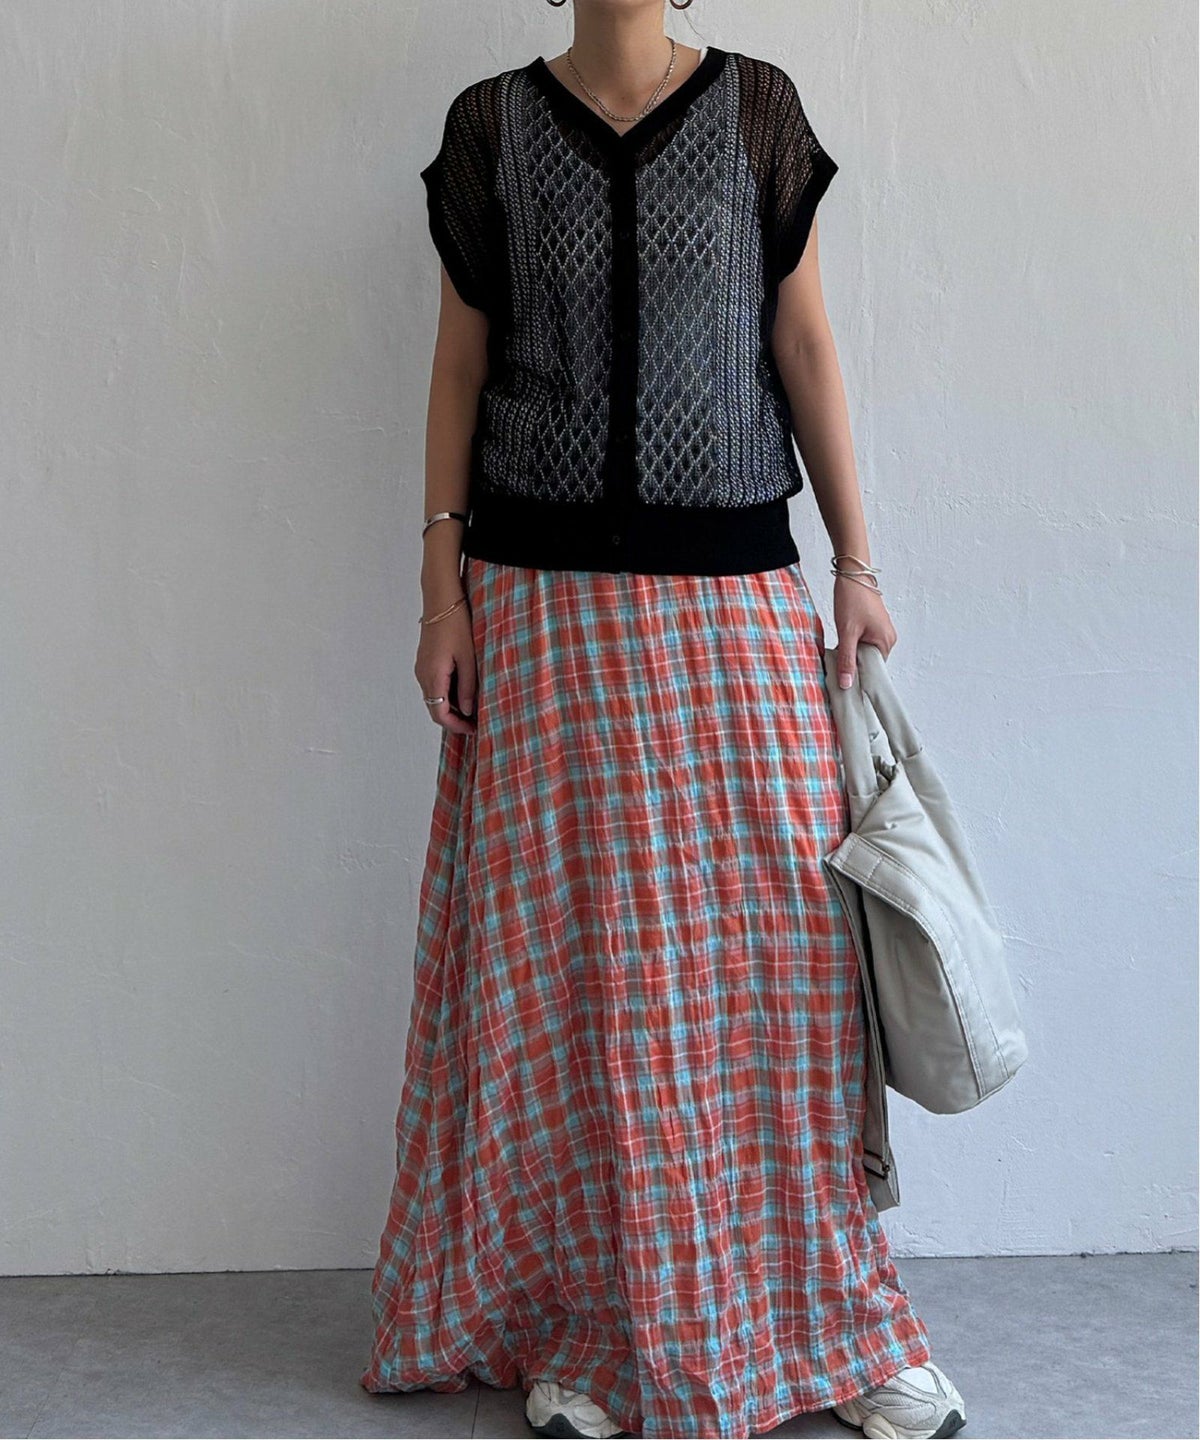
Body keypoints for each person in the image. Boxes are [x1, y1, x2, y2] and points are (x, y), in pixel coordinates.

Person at [360, 4, 967, 1438]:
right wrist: (440, 593)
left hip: (733, 588)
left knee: (786, 959)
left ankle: (838, 1326)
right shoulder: (491, 127)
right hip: (539, 599)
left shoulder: (757, 109)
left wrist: (857, 565)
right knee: (565, 973)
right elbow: (459, 366)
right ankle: (586, 1326)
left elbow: (801, 341)